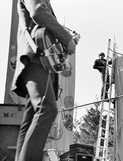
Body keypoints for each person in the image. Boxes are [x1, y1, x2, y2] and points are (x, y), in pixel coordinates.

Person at [12, 0, 77, 161]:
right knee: (47, 109)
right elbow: (38, 12)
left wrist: (63, 50)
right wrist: (67, 38)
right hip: (35, 57)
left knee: (31, 117)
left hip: (35, 57)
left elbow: (41, 26)